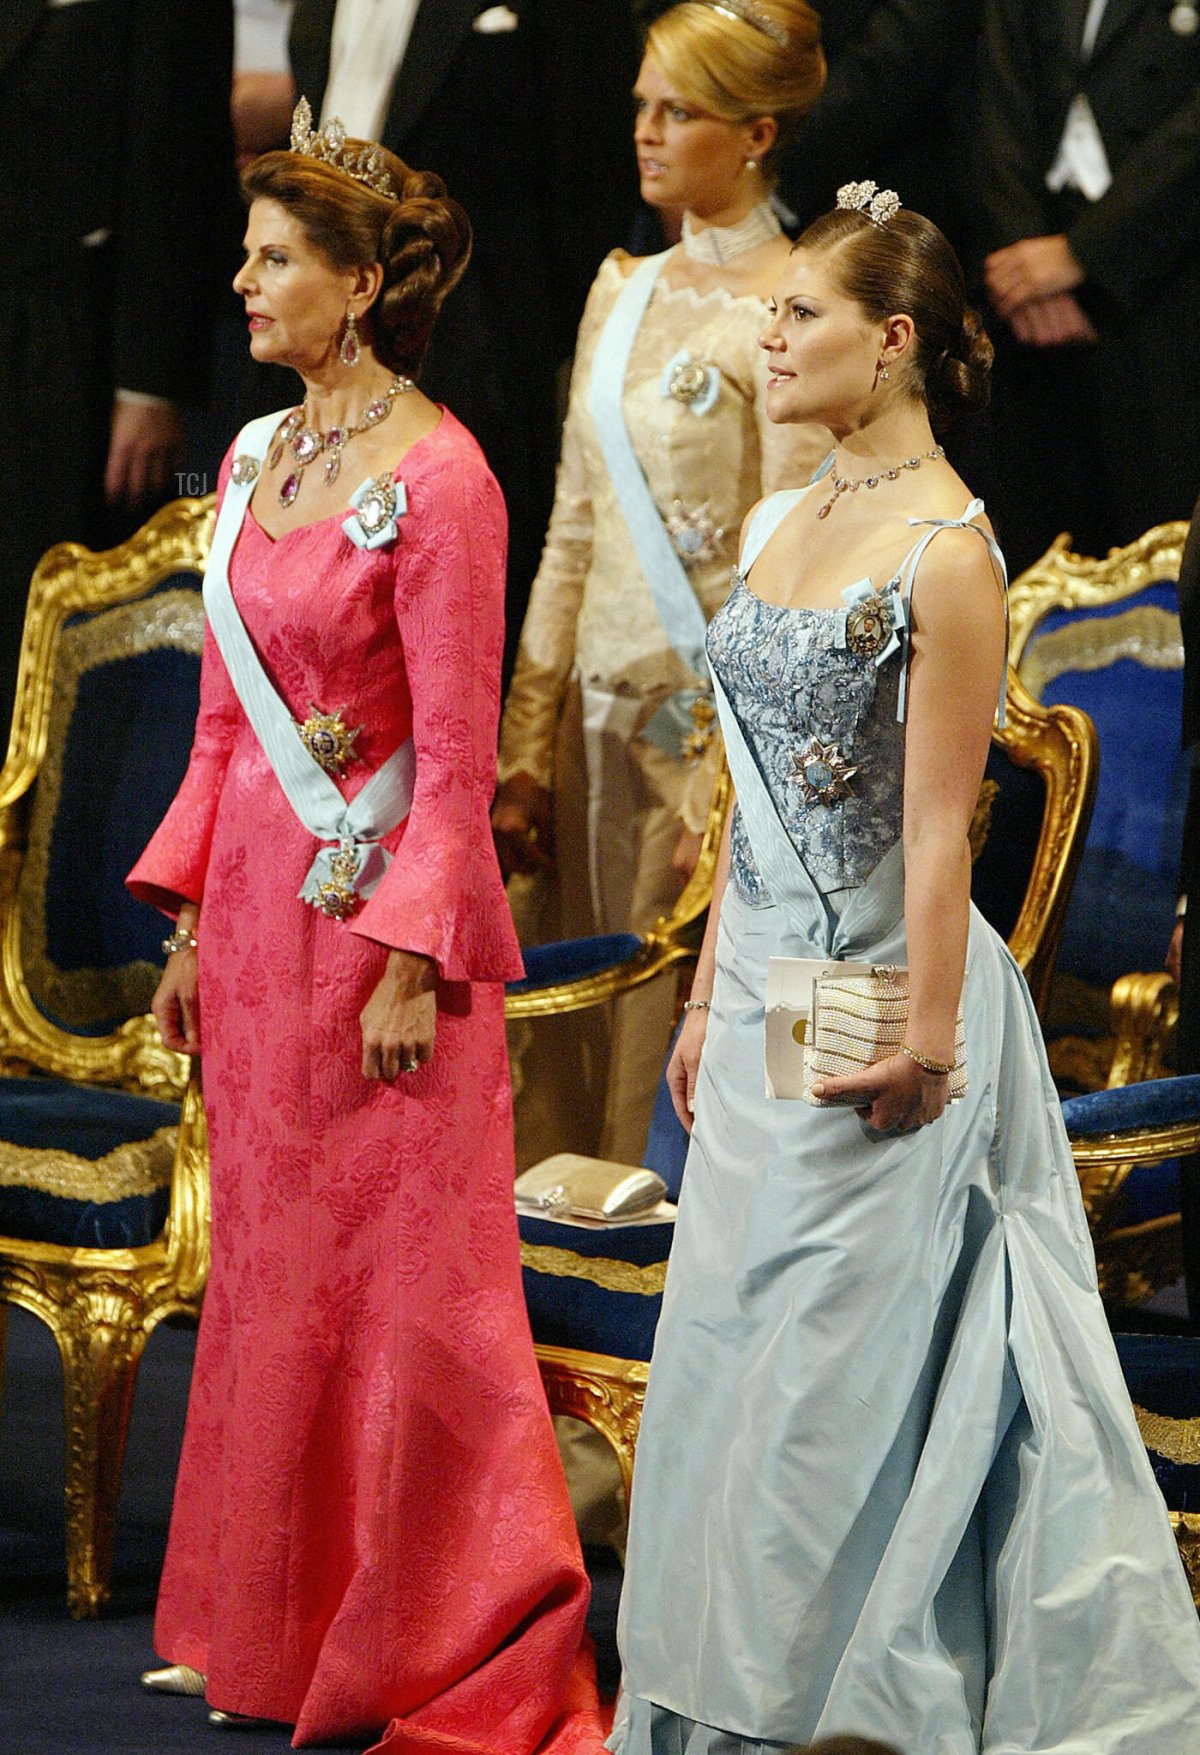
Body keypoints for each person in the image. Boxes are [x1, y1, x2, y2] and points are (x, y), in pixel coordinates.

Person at [609, 190, 1200, 1752]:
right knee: (733, 1345)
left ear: (893, 344)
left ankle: (840, 1706)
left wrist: (931, 1045)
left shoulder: (948, 552)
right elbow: (745, 785)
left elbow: (940, 833)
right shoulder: (774, 519)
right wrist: (702, 991)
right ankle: (716, 1697)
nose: (768, 335)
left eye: (801, 314)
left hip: (877, 991)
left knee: (827, 1370)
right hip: (752, 1000)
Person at [127, 106, 599, 1752]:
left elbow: (460, 754)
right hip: (256, 924)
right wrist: (187, 920)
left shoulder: (444, 477)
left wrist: (416, 958)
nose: (243, 284)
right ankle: (263, 1623)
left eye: (273, 260)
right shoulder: (254, 456)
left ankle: (418, 1629)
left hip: (377, 934)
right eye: (248, 256)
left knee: (393, 1283)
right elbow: (217, 726)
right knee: (268, 1271)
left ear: (354, 285)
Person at [493, 0, 829, 1168]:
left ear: (757, 132)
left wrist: (727, 788)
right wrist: (523, 749)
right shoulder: (619, 283)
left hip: (691, 741)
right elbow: (572, 529)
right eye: (641, 106)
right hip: (581, 736)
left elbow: (785, 569)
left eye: (676, 111)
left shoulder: (797, 301)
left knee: (656, 1055)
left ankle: (650, 1324)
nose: (644, 132)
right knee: (556, 1050)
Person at [287, 0, 643, 683]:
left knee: (448, 665)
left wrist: (518, 346)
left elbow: (590, 177)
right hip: (314, 356)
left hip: (476, 373)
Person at [0, 0, 236, 742]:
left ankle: (42, 843)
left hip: (79, 343)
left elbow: (178, 149)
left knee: (48, 612)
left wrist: (150, 382)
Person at [975, 0, 1200, 573]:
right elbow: (997, 92)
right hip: (1027, 302)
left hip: (1165, 277)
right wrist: (1023, 264)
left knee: (1159, 539)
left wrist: (1084, 253)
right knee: (1032, 541)